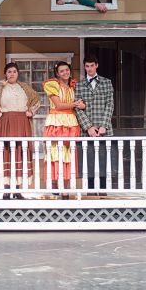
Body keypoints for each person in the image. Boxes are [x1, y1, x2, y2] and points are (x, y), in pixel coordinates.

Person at [0, 62, 40, 200]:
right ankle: (6, 190)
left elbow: (36, 99)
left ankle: (17, 190)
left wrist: (31, 111)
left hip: (22, 123)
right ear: (5, 73)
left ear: (18, 73)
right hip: (5, 122)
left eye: (14, 72)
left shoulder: (24, 87)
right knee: (6, 152)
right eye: (9, 71)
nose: (12, 74)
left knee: (19, 152)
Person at [43, 61, 85, 195]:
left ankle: (65, 187)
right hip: (57, 121)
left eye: (67, 70)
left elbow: (82, 102)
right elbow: (59, 105)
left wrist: (82, 105)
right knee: (56, 152)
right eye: (61, 71)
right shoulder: (53, 85)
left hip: (70, 122)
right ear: (57, 73)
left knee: (69, 154)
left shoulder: (74, 85)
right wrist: (75, 104)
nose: (65, 73)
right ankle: (56, 186)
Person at [75, 55, 114, 189]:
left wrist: (104, 126)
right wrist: (89, 127)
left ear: (96, 65)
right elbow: (77, 108)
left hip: (103, 130)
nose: (90, 69)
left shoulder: (106, 82)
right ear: (84, 67)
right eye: (87, 66)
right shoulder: (79, 85)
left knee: (103, 162)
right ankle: (91, 193)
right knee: (89, 163)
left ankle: (102, 193)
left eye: (92, 65)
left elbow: (110, 104)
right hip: (87, 131)